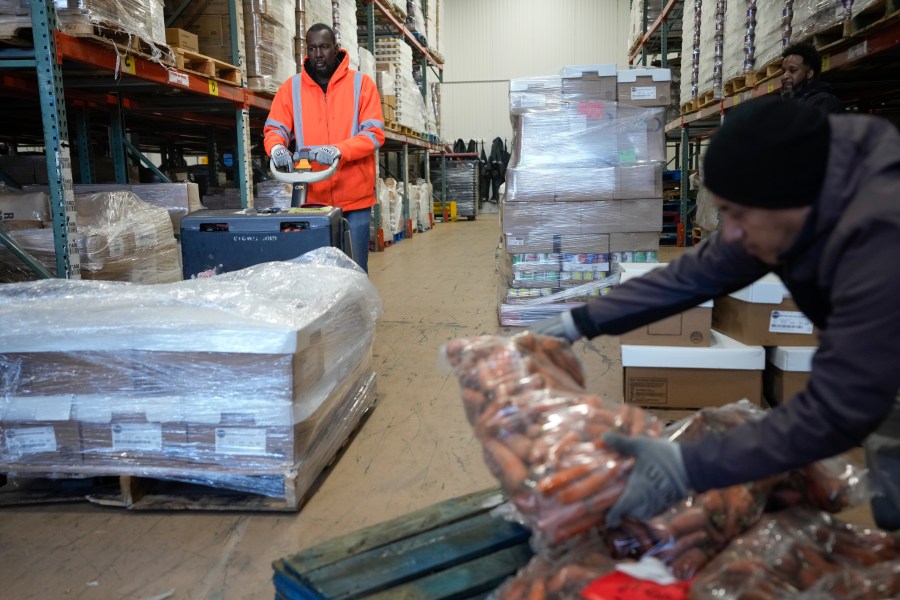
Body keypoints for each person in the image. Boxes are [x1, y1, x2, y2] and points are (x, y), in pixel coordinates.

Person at [530, 96, 900, 531]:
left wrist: (687, 465)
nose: (733, 233)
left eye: (737, 215)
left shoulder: (881, 241)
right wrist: (581, 321)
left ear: (792, 202)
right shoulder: (798, 186)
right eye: (726, 213)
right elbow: (699, 272)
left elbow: (837, 411)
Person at [264, 23, 385, 273]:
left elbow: (373, 134)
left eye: (324, 47)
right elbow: (275, 129)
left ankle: (354, 313)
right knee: (315, 272)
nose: (318, 54)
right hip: (312, 199)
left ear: (336, 48)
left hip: (355, 199)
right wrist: (276, 148)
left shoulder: (361, 84)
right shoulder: (291, 88)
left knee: (355, 270)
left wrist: (339, 150)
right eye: (313, 48)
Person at [781, 42, 843, 114]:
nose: (785, 75)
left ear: (809, 74)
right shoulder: (790, 103)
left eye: (793, 70)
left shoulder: (825, 102)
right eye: (784, 71)